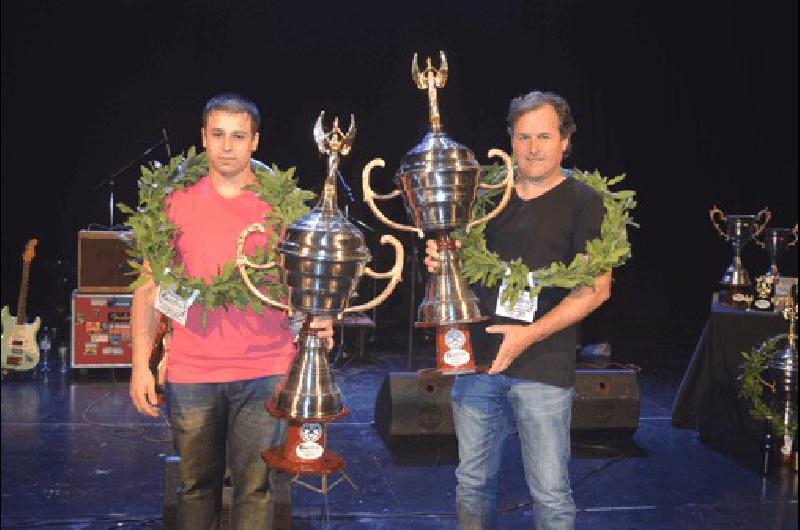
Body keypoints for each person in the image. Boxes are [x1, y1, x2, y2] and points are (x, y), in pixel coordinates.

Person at [129, 93, 333, 529]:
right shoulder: (173, 203)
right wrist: (140, 364)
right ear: (203, 137)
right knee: (194, 488)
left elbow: (301, 283)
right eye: (218, 134)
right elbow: (149, 289)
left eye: (238, 136)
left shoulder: (281, 208)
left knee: (257, 490)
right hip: (192, 372)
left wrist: (320, 317)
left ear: (255, 142)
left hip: (265, 368)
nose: (227, 146)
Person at [424, 91, 611, 529]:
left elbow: (596, 289)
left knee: (550, 494)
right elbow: (460, 268)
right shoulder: (484, 195)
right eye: (523, 136)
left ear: (566, 140)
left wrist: (525, 336)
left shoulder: (585, 201)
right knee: (471, 483)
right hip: (475, 365)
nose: (533, 148)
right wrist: (442, 263)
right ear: (509, 139)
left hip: (543, 366)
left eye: (544, 136)